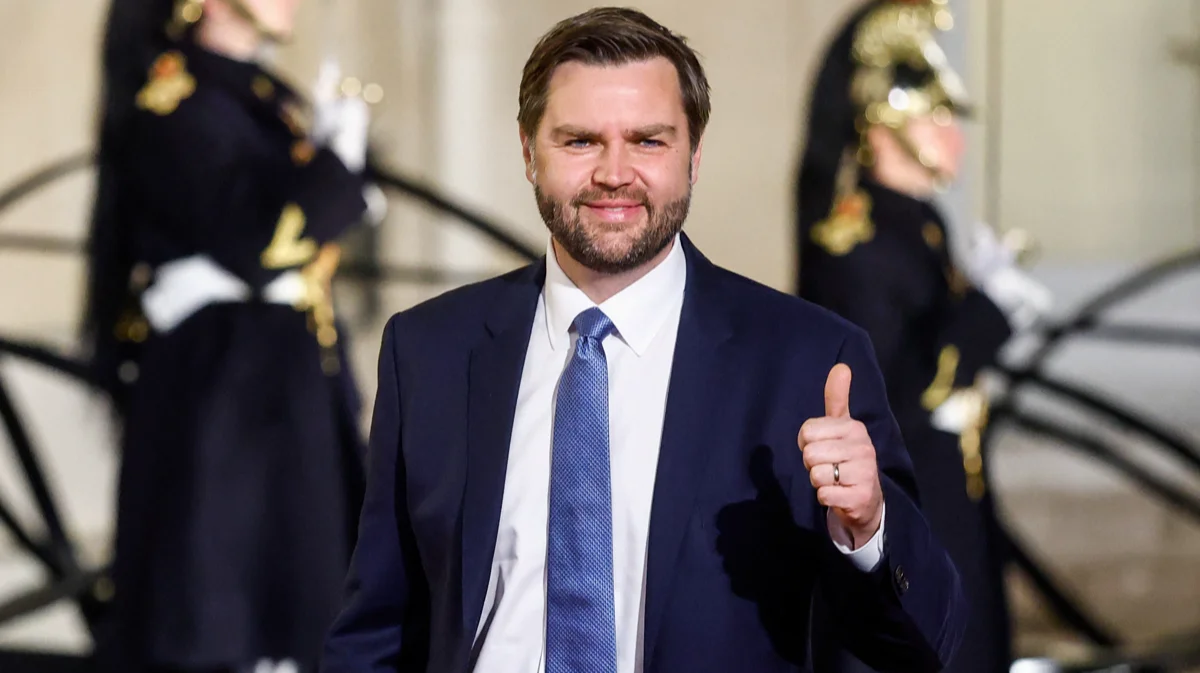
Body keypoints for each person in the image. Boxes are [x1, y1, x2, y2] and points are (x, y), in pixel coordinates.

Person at [321, 7, 966, 673]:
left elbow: (926, 641)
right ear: (528, 152)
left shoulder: (806, 361)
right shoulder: (429, 350)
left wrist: (869, 528)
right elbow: (375, 633)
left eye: (648, 141)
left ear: (694, 155)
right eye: (580, 141)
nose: (614, 173)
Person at [82, 1, 374, 671]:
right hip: (223, 394)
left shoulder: (265, 97)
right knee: (219, 609)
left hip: (288, 379)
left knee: (309, 605)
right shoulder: (174, 104)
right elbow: (260, 241)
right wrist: (337, 167)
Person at [794, 2, 1053, 672]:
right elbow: (899, 394)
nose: (953, 136)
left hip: (952, 494)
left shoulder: (919, 223)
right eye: (935, 118)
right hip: (906, 508)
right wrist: (987, 312)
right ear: (885, 124)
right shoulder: (854, 243)